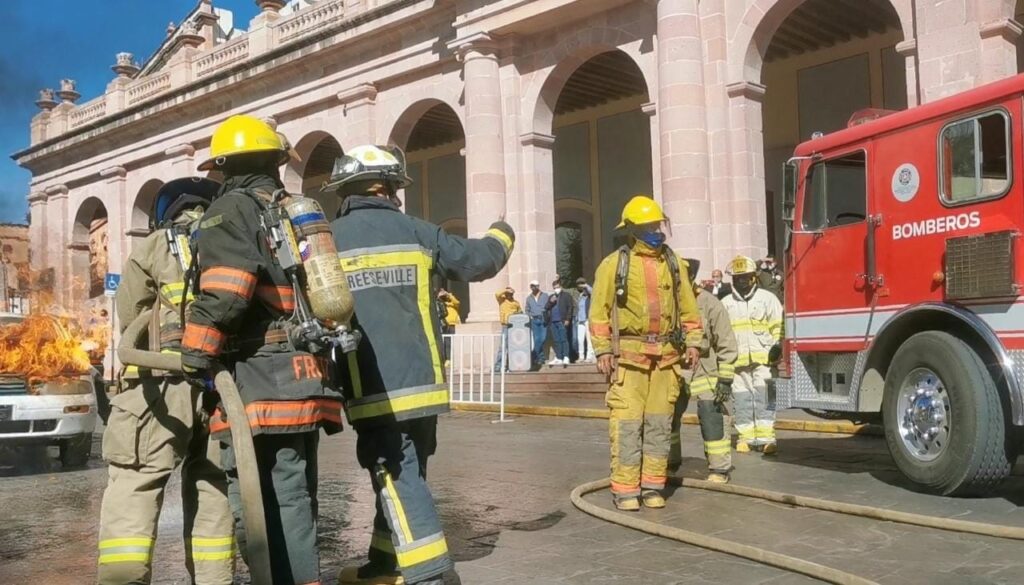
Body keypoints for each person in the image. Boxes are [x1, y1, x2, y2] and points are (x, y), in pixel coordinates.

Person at [324, 144, 514, 585]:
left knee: (394, 473)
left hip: (370, 387)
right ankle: (384, 561)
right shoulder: (417, 231)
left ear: (345, 191)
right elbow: (478, 260)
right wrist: (503, 231)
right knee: (409, 472)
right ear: (391, 188)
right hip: (424, 384)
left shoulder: (328, 240)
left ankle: (429, 575)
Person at [181, 115, 351, 585]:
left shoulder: (229, 210)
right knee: (297, 492)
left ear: (224, 165)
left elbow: (228, 291)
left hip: (259, 374)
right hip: (306, 369)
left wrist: (195, 353)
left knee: (261, 496)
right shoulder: (290, 206)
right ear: (275, 162)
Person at [98, 177, 233, 585]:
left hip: (157, 389)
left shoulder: (153, 248)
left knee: (134, 488)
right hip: (220, 389)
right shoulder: (230, 244)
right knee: (214, 490)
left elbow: (132, 314)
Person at [590, 195, 703, 511]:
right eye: (648, 225)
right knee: (626, 426)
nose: (655, 230)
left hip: (666, 360)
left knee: (659, 425)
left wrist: (693, 343)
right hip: (629, 360)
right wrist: (603, 351)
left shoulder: (673, 263)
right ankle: (626, 489)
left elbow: (689, 309)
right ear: (632, 229)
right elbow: (599, 312)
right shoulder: (614, 265)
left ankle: (653, 486)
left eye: (657, 224)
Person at [668, 258, 737, 483]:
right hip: (674, 368)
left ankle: (719, 469)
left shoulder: (709, 303)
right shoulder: (667, 302)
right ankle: (669, 461)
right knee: (666, 416)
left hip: (706, 370)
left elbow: (726, 342)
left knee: (712, 415)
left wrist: (725, 379)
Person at [722, 255, 783, 455]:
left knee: (766, 398)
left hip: (764, 360)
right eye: (737, 278)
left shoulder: (768, 299)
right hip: (737, 363)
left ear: (754, 277)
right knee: (741, 400)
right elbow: (721, 333)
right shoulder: (726, 303)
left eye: (745, 277)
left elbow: (779, 326)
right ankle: (745, 438)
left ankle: (767, 438)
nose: (741, 282)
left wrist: (777, 348)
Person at [546, 278, 573, 366]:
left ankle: (566, 356)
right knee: (556, 340)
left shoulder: (566, 295)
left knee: (563, 339)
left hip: (562, 320)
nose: (556, 289)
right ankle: (559, 357)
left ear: (561, 287)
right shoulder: (551, 296)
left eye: (557, 287)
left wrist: (568, 319)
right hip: (553, 322)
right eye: (554, 288)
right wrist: (551, 302)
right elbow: (546, 307)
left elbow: (570, 307)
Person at [494, 287, 522, 372]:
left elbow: (521, 313)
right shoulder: (501, 300)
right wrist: (505, 290)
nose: (509, 295)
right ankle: (498, 366)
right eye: (508, 293)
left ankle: (511, 366)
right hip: (505, 326)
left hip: (514, 327)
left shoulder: (516, 303)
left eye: (511, 294)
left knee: (513, 347)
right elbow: (497, 294)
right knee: (503, 346)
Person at [525, 280, 550, 368]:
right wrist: (530, 316)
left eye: (535, 286)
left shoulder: (545, 296)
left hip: (543, 319)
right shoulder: (529, 298)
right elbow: (527, 309)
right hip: (534, 320)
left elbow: (549, 306)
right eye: (532, 286)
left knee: (542, 338)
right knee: (537, 339)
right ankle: (541, 358)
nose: (533, 288)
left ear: (538, 286)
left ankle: (533, 355)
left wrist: (547, 315)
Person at [573, 277, 596, 363]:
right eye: (579, 285)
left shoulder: (589, 296)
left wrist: (586, 285)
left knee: (589, 339)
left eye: (582, 284)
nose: (581, 286)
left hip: (587, 319)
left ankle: (589, 356)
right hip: (580, 320)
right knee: (580, 339)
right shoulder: (580, 296)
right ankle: (581, 356)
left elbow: (593, 292)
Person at [436, 287, 460, 365]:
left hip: (452, 323)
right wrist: (439, 296)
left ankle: (450, 358)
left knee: (450, 341)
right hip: (444, 323)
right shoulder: (441, 302)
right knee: (445, 342)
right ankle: (446, 359)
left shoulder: (453, 303)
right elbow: (437, 303)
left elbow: (457, 303)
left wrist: (448, 295)